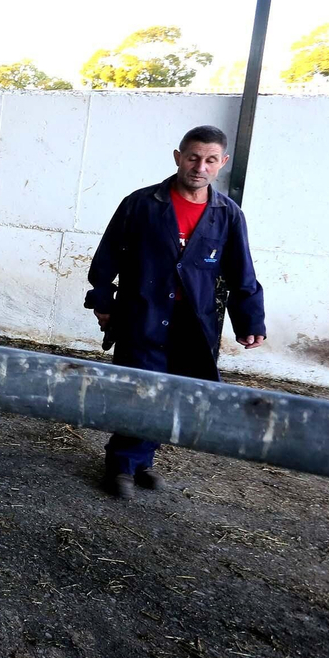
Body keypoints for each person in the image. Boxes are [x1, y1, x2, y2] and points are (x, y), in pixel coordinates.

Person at [85, 125, 267, 498]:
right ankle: (122, 464)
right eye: (193, 158)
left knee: (172, 392)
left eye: (210, 160)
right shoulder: (141, 204)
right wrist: (103, 301)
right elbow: (107, 256)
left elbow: (241, 271)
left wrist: (250, 320)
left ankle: (142, 459)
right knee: (139, 389)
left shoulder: (227, 214)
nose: (200, 167)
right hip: (143, 315)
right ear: (178, 157)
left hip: (194, 323)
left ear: (222, 163)